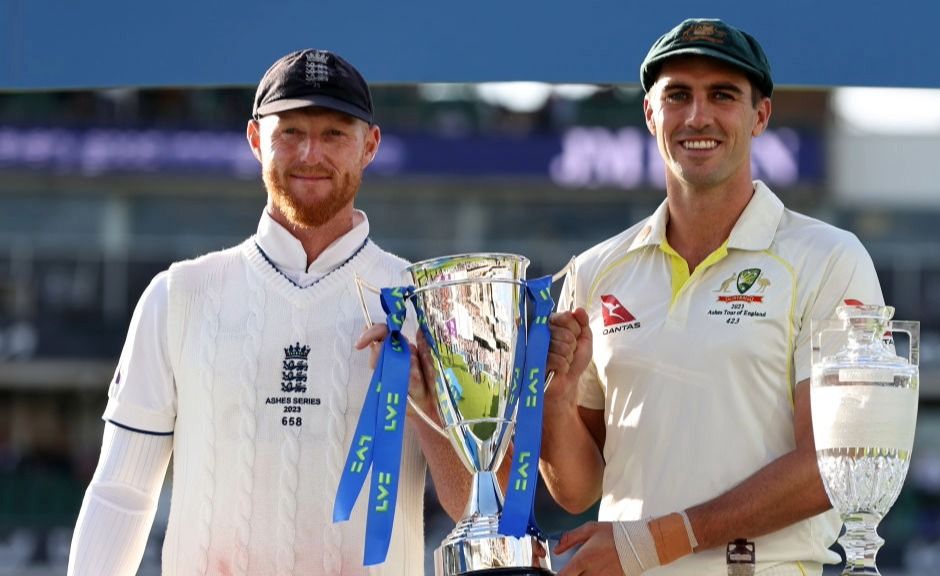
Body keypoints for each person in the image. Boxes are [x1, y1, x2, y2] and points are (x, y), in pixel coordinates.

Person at [67, 49, 469, 576]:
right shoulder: (179, 295)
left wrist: (430, 403)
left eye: (334, 134)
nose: (311, 153)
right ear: (256, 139)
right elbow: (122, 491)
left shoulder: (429, 305)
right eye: (291, 132)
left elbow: (475, 509)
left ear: (369, 145)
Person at [540, 18, 884, 576]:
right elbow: (578, 491)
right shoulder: (595, 269)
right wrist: (554, 398)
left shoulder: (830, 259)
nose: (698, 116)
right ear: (651, 114)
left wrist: (656, 541)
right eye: (678, 95)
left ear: (760, 116)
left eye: (722, 95)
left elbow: (832, 464)